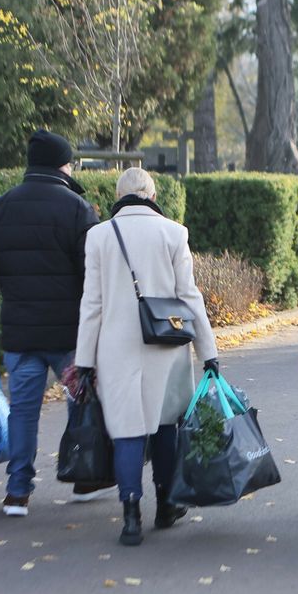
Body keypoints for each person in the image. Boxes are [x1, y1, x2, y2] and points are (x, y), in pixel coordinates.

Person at [74, 168, 218, 546]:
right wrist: (209, 352)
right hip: (166, 346)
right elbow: (190, 297)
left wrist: (84, 361)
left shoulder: (99, 236)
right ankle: (167, 505)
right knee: (166, 424)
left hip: (114, 349)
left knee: (127, 431)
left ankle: (130, 515)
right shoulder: (174, 233)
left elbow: (92, 304)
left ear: (118, 196)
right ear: (152, 196)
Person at [0, 129, 102, 517]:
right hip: (69, 336)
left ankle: (17, 492)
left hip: (21, 335)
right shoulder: (78, 209)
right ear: (64, 164)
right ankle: (83, 475)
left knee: (23, 412)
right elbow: (93, 274)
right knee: (82, 399)